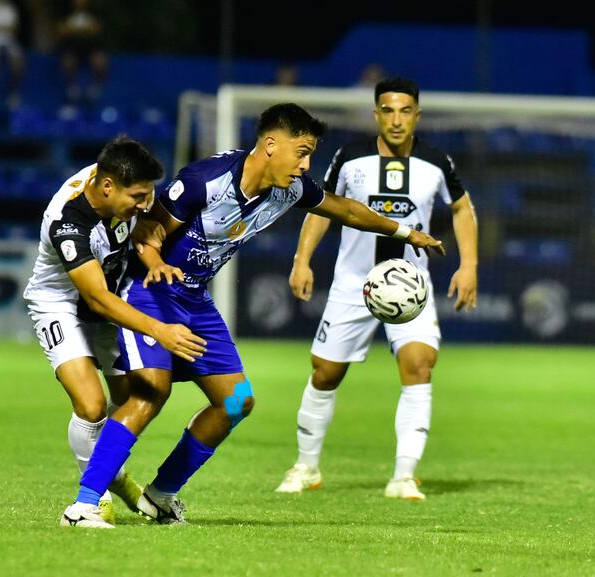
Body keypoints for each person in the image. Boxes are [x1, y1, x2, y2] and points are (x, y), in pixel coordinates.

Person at [59, 102, 445, 528]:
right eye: (301, 152)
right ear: (270, 144)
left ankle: (161, 494)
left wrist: (407, 233)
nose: (306, 164)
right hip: (150, 293)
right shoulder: (204, 181)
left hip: (195, 300)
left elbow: (347, 210)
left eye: (310, 154)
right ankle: (83, 505)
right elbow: (147, 232)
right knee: (151, 392)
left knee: (237, 402)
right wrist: (155, 263)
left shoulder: (290, 190)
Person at [275, 77, 478, 500]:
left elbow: (461, 207)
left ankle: (404, 475)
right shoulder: (351, 157)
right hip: (354, 283)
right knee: (325, 373)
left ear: (417, 115)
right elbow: (321, 207)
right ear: (376, 114)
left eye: (405, 111)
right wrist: (302, 259)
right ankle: (306, 467)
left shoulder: (437, 162)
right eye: (388, 110)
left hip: (410, 287)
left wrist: (469, 265)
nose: (397, 119)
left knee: (420, 365)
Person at [22, 135, 206, 525]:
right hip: (62, 304)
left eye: (148, 195)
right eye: (138, 198)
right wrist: (163, 330)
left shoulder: (118, 185)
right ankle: (94, 498)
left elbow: (142, 221)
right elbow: (97, 300)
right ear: (107, 187)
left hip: (109, 298)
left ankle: (115, 478)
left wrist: (148, 242)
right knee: (90, 406)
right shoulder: (68, 221)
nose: (145, 205)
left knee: (133, 401)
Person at [57, 0, 108, 104]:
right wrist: (81, 31)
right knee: (68, 61)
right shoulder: (65, 13)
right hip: (72, 48)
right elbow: (61, 29)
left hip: (91, 48)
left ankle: (95, 88)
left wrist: (76, 30)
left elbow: (97, 29)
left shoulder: (95, 13)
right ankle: (72, 87)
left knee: (100, 60)